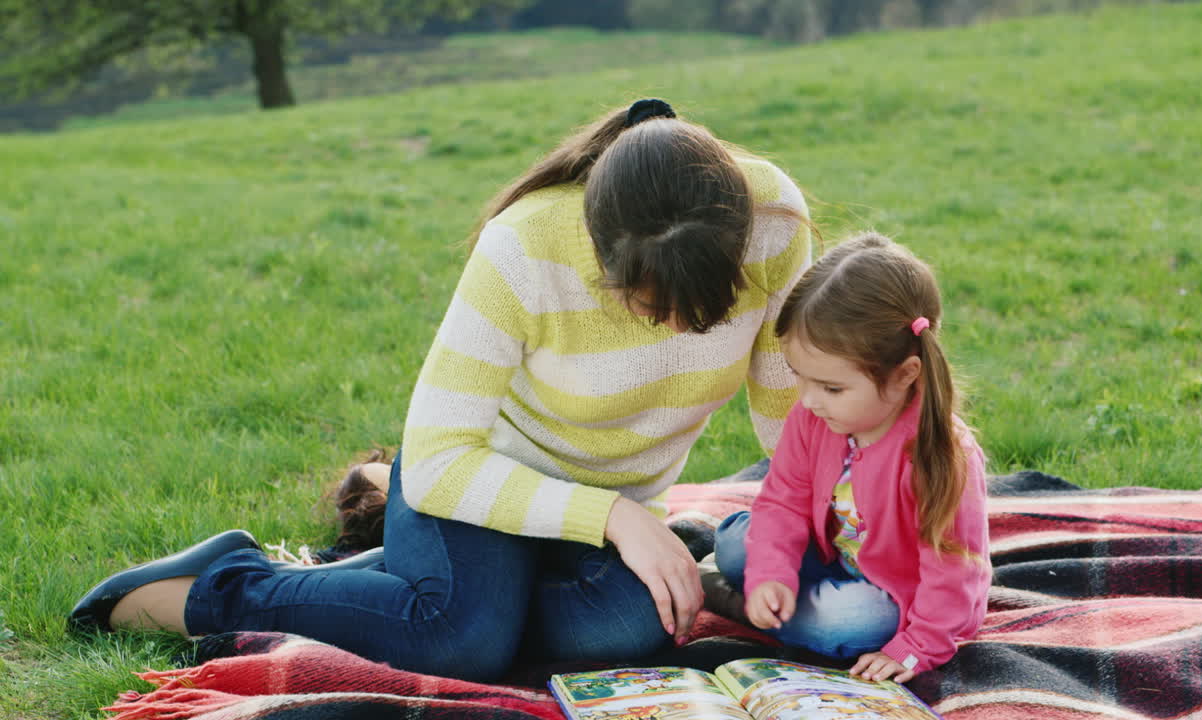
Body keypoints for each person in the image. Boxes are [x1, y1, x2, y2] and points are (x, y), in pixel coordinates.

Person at [71, 98, 813, 681]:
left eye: (705, 309)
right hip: (478, 483)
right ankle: (223, 586)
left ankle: (405, 569)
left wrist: (835, 523)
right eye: (652, 308)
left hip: (596, 513)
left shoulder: (773, 222)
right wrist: (614, 517)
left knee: (628, 629)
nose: (679, 330)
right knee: (461, 639)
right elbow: (440, 460)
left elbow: (795, 416)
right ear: (603, 260)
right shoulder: (525, 245)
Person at [712, 232, 991, 683]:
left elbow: (953, 569)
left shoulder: (939, 453)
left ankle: (737, 604)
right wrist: (771, 576)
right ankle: (764, 595)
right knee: (733, 545)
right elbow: (783, 502)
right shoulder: (813, 417)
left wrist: (917, 647)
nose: (809, 400)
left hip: (897, 595)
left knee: (853, 624)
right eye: (801, 378)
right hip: (831, 555)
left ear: (904, 375)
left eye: (831, 388)